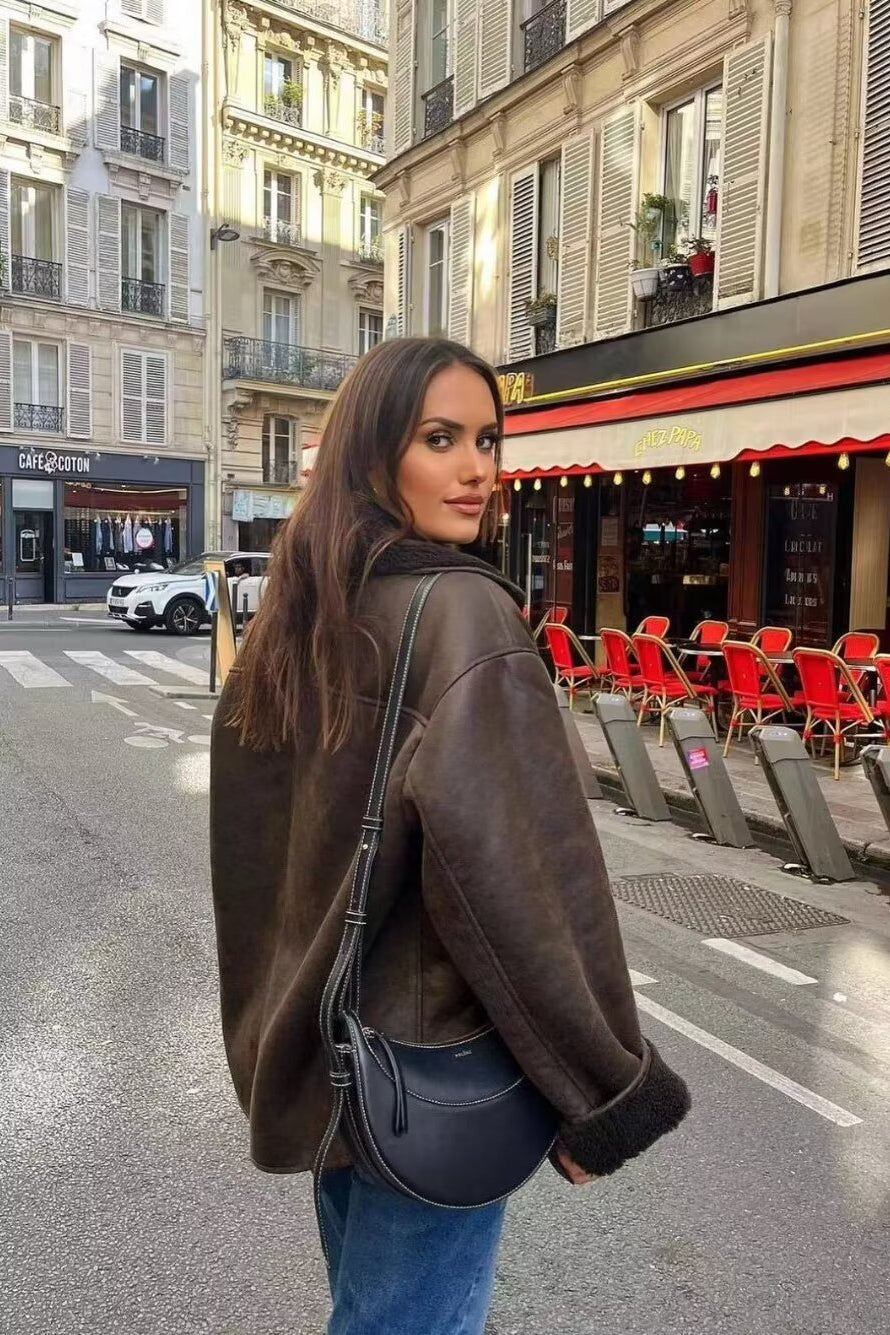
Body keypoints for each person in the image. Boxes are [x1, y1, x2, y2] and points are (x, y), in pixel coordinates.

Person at [209, 337, 690, 1335]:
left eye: (486, 439)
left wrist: (280, 1027)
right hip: (426, 1074)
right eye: (440, 439)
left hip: (333, 1054)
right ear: (373, 454)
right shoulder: (462, 613)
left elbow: (259, 861)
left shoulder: (305, 611)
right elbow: (523, 885)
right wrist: (605, 1088)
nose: (477, 469)